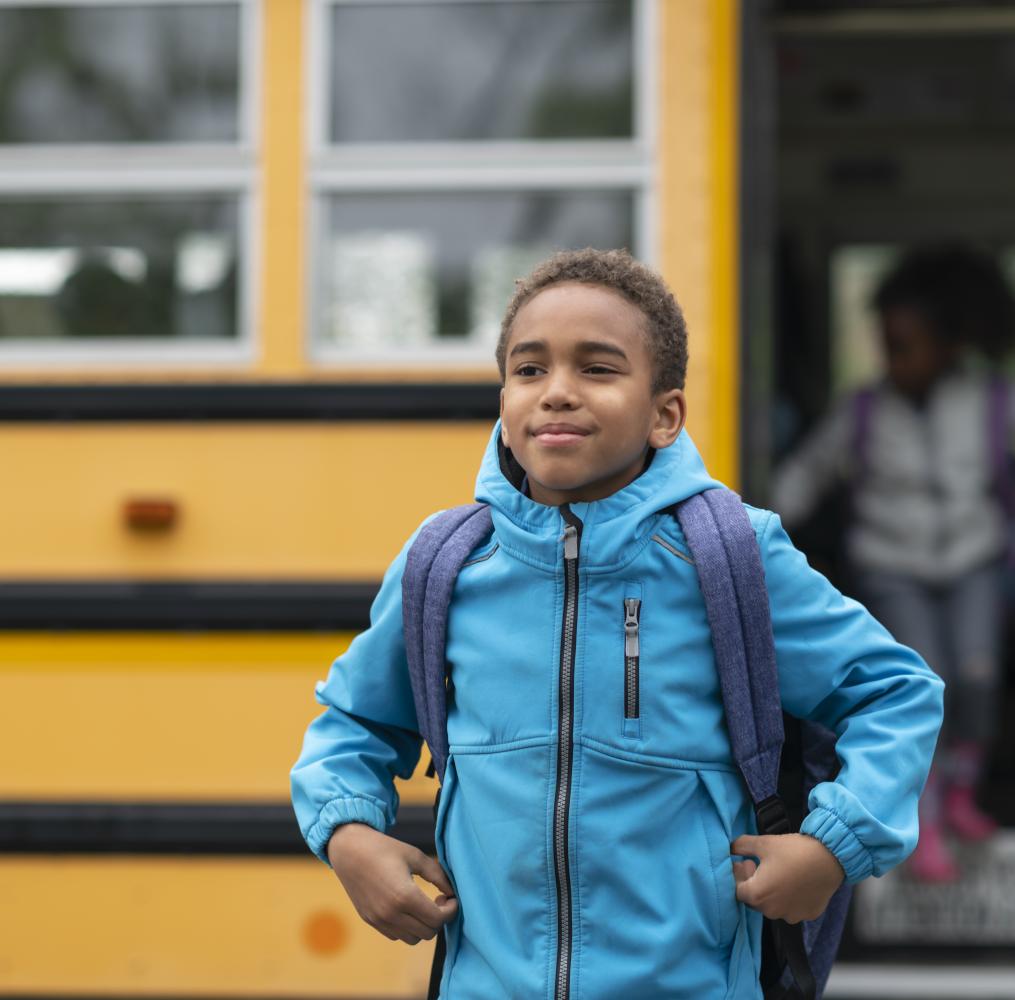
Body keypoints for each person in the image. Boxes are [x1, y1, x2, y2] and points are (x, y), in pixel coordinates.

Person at [291, 248, 943, 998]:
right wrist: (347, 836)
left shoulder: (730, 552)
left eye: (596, 369)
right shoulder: (446, 562)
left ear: (665, 415)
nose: (556, 393)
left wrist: (833, 848)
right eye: (529, 370)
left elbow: (893, 692)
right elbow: (352, 721)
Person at [772, 245, 1015, 883]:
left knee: (978, 675)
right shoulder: (862, 410)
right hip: (894, 565)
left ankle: (961, 795)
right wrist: (748, 523)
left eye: (906, 345)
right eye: (885, 345)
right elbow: (804, 477)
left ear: (946, 344)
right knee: (922, 681)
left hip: (972, 560)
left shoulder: (991, 402)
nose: (893, 360)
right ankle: (924, 818)